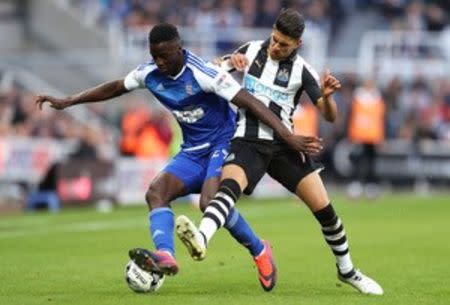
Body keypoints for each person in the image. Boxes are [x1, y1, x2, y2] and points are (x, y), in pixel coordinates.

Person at [35, 23, 322, 290]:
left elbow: (249, 101)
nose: (159, 61)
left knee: (209, 202)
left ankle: (259, 249)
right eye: (154, 55)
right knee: (156, 192)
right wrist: (70, 100)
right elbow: (115, 87)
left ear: (179, 49)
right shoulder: (149, 74)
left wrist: (286, 135)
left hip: (224, 142)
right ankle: (165, 256)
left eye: (164, 55)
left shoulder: (204, 73)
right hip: (192, 150)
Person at [175, 9, 384, 295]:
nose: (275, 47)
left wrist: (328, 97)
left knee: (327, 213)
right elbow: (215, 67)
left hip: (287, 145)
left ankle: (347, 271)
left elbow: (330, 116)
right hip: (247, 140)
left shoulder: (303, 71)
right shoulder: (250, 50)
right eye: (274, 39)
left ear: (297, 44)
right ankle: (201, 238)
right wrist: (228, 61)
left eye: (283, 44)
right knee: (228, 190)